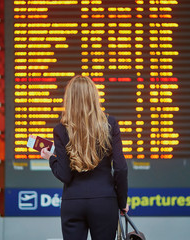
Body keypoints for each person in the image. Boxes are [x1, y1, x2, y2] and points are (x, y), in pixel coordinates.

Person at [40, 75, 128, 240]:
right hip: (104, 201)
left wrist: (51, 158)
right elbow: (121, 168)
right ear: (94, 96)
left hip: (73, 202)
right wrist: (122, 202)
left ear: (69, 99)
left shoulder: (61, 129)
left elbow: (65, 175)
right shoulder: (111, 124)